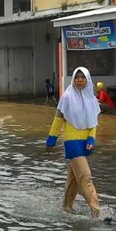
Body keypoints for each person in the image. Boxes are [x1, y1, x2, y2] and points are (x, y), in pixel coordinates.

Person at [46, 67, 103, 219]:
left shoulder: (91, 99)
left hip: (85, 142)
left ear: (87, 80)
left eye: (82, 77)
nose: (79, 80)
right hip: (71, 142)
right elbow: (58, 119)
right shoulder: (67, 97)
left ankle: (66, 206)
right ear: (73, 79)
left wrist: (91, 139)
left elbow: (93, 124)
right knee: (85, 176)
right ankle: (96, 211)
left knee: (74, 178)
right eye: (77, 77)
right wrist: (51, 140)